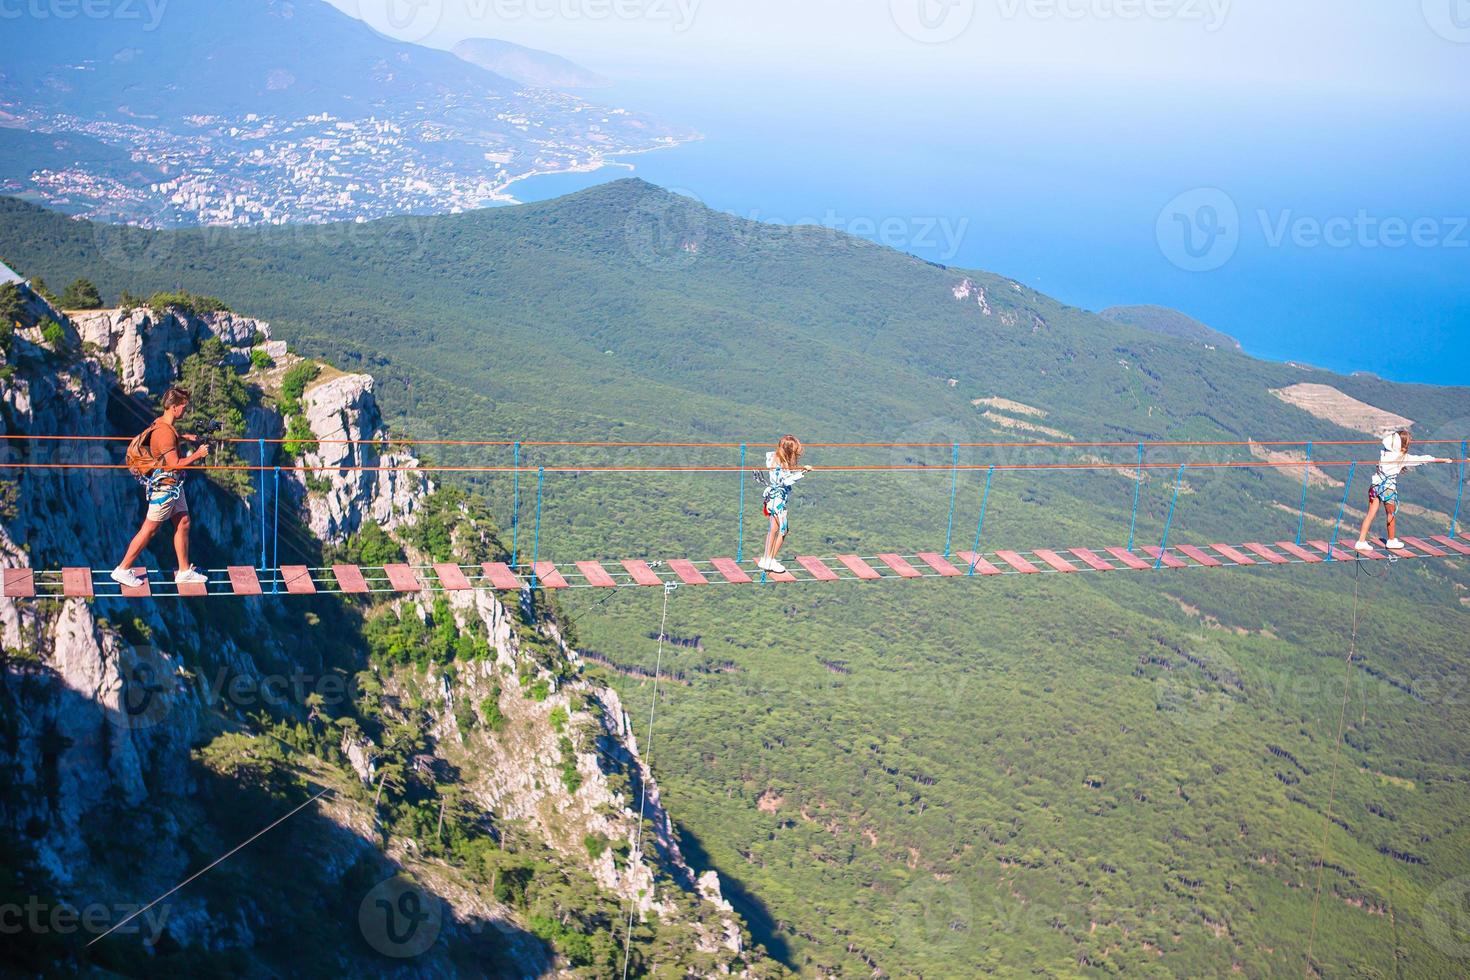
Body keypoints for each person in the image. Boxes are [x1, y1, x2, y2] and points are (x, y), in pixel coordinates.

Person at [111, 387, 211, 587]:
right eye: (183, 407)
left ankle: (183, 571)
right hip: (165, 487)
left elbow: (166, 441)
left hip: (173, 485)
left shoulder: (162, 424)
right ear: (174, 408)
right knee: (149, 530)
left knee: (183, 522)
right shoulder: (165, 432)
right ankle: (122, 569)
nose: (185, 410)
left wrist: (184, 437)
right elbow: (174, 463)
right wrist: (197, 455)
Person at [1354, 429, 1452, 553]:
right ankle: (1391, 541)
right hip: (1388, 489)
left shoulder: (1384, 452)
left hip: (1375, 486)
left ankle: (1361, 541)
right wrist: (1443, 460)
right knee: (1391, 514)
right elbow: (1422, 459)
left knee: (1370, 514)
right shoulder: (1403, 458)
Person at [758, 435, 813, 574]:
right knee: (783, 531)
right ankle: (770, 560)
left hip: (773, 500)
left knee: (773, 530)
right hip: (778, 502)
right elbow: (785, 481)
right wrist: (802, 472)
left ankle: (766, 558)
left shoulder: (774, 458)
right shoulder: (780, 463)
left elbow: (782, 477)